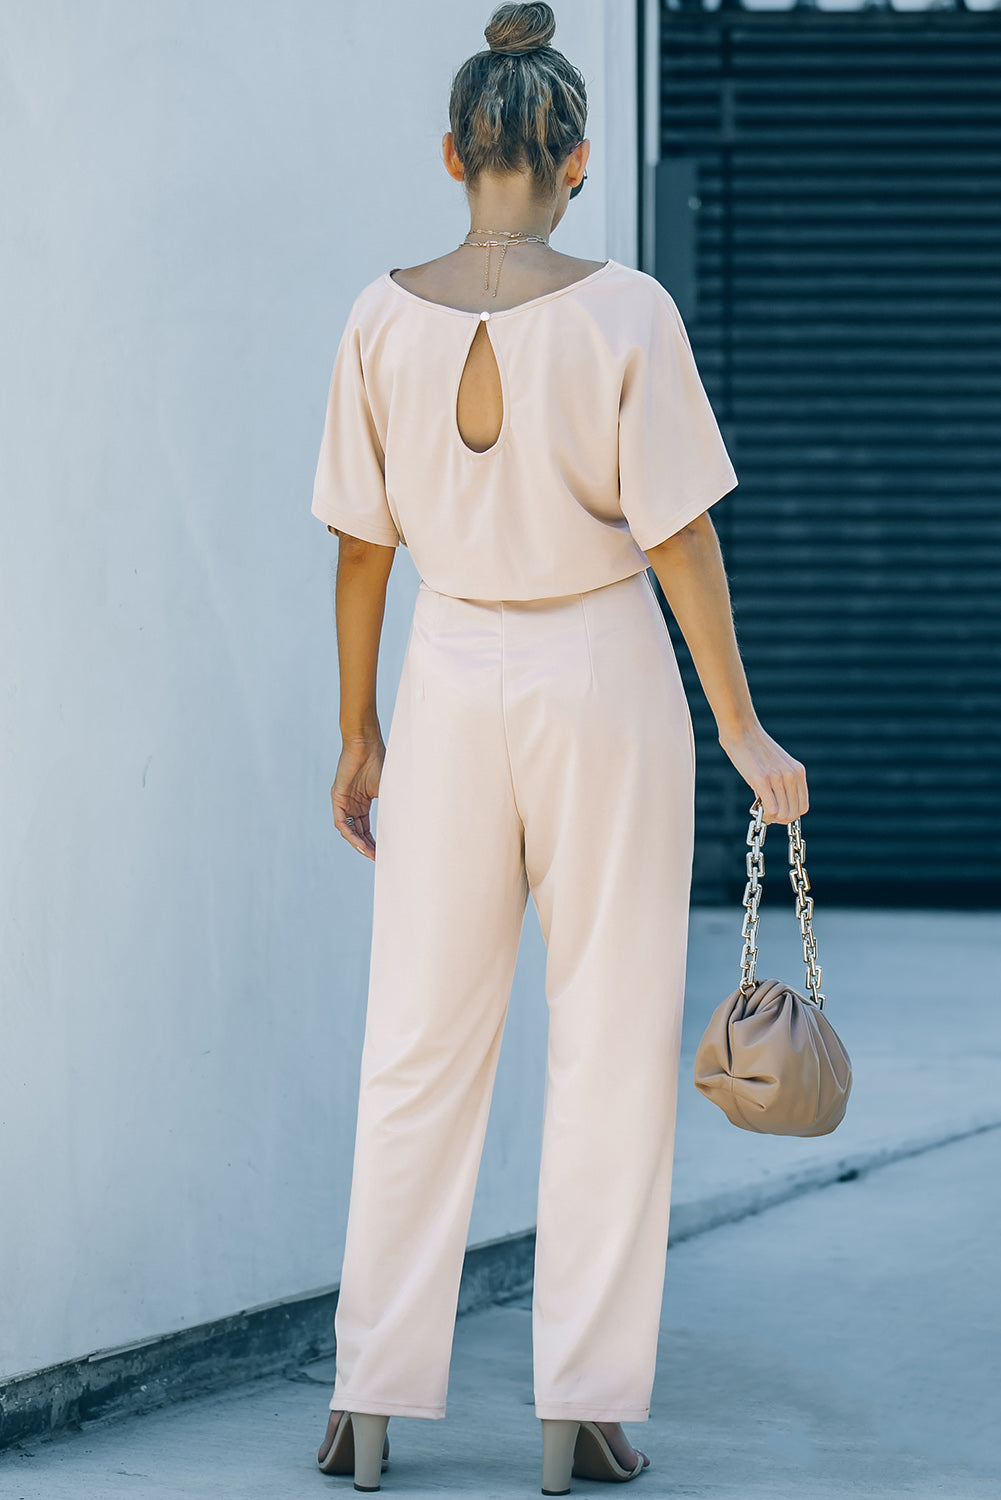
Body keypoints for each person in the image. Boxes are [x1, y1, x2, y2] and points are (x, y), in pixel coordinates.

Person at [310, 3, 808, 1492]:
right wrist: (738, 720)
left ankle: (363, 1406)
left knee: (414, 1045)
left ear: (454, 153)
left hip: (450, 670)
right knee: (605, 1044)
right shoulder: (628, 311)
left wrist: (357, 732)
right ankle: (576, 1414)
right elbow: (676, 537)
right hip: (601, 674)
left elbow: (356, 550)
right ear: (577, 158)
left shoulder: (376, 315)